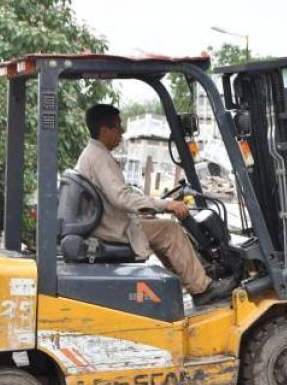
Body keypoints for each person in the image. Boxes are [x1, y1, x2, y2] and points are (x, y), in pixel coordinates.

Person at [76, 103, 235, 303]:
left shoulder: (93, 154)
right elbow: (122, 198)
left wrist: (151, 207)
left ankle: (191, 280)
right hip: (112, 228)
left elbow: (116, 197)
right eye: (118, 127)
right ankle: (202, 288)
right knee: (170, 230)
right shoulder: (99, 158)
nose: (122, 132)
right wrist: (165, 205)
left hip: (106, 221)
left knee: (160, 228)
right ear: (104, 130)